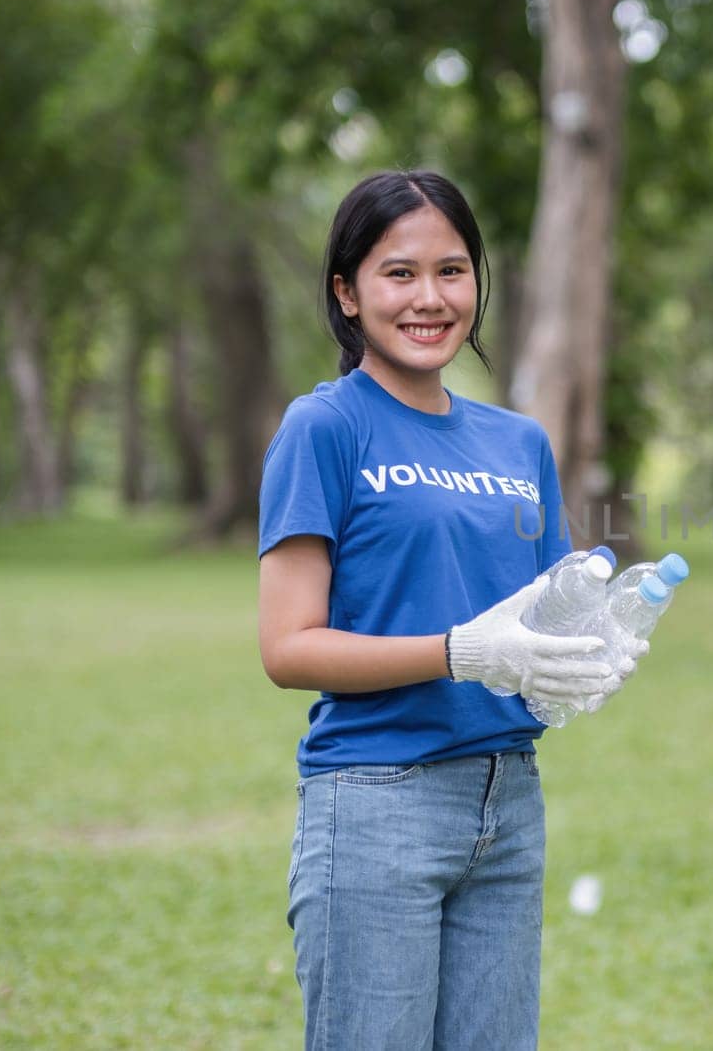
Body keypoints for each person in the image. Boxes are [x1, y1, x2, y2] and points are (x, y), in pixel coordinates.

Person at [257, 170, 643, 1048]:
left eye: (453, 270)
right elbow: (287, 647)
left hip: (509, 806)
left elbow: (543, 624)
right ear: (347, 293)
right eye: (399, 273)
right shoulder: (324, 428)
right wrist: (458, 650)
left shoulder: (518, 442)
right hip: (374, 803)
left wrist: (596, 647)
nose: (430, 298)